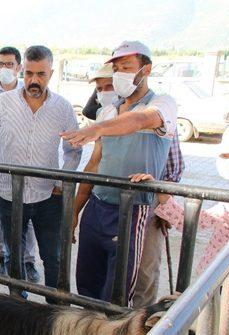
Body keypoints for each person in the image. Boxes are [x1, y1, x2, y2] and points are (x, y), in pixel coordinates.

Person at [62, 41, 181, 306]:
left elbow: (141, 120)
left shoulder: (162, 104)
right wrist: (74, 211)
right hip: (97, 207)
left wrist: (96, 128)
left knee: (120, 293)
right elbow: (94, 164)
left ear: (146, 69)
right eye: (116, 68)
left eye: (126, 67)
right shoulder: (108, 112)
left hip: (133, 210)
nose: (119, 75)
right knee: (87, 286)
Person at [0, 45, 82, 293]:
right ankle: (19, 306)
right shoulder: (3, 103)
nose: (34, 80)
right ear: (21, 70)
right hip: (9, 194)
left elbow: (73, 150)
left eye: (41, 74)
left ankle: (54, 311)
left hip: (48, 196)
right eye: (29, 73)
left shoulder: (62, 107)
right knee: (13, 256)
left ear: (51, 73)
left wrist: (61, 182)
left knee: (54, 257)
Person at [129, 109, 229, 275]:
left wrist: (158, 189)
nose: (221, 161)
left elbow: (190, 221)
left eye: (226, 156)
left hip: (224, 277)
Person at [0, 46, 40, 281]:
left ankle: (28, 260)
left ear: (19, 67)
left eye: (9, 64)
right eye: (1, 64)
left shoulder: (30, 91)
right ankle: (3, 257)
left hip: (22, 164)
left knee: (27, 213)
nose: (4, 68)